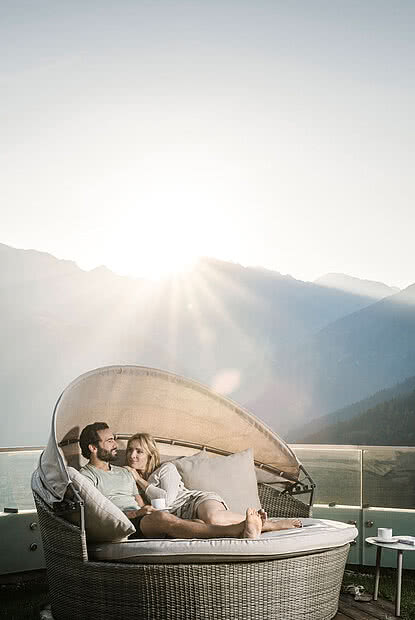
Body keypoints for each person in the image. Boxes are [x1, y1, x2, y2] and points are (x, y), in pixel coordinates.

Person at [79, 422, 265, 539]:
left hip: (142, 519)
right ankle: (237, 531)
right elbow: (96, 512)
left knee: (197, 524)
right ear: (93, 448)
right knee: (165, 518)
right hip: (123, 523)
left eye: (114, 439)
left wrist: (145, 510)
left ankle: (246, 529)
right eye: (109, 441)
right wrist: (137, 515)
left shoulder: (125, 473)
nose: (115, 445)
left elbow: (140, 503)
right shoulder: (85, 476)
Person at [125, 432, 302, 533]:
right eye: (130, 450)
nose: (132, 455)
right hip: (182, 517)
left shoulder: (165, 469)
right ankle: (246, 527)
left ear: (150, 454)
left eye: (139, 451)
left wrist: (140, 480)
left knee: (213, 518)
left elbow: (168, 500)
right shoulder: (130, 480)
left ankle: (270, 524)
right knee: (202, 526)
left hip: (195, 501)